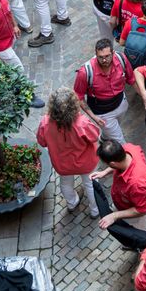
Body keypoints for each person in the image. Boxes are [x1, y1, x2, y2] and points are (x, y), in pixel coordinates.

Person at [38, 87, 101, 217]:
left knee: (65, 184)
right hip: (86, 162)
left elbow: (42, 142)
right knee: (90, 184)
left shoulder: (45, 123)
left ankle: (72, 203)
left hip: (62, 164)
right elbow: (95, 136)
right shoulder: (82, 123)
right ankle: (95, 210)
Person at [74, 38, 136, 142]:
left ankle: (104, 137)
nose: (104, 60)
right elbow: (78, 97)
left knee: (112, 129)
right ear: (96, 55)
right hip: (103, 113)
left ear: (113, 53)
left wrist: (144, 95)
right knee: (121, 143)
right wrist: (93, 117)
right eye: (100, 57)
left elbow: (131, 79)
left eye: (107, 56)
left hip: (121, 103)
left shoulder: (121, 59)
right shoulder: (85, 72)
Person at [93, 138, 146, 231]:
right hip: (127, 204)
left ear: (113, 164)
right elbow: (118, 163)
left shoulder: (137, 184)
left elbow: (142, 209)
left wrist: (114, 216)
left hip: (136, 218)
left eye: (108, 164)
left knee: (135, 236)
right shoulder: (129, 148)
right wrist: (105, 172)